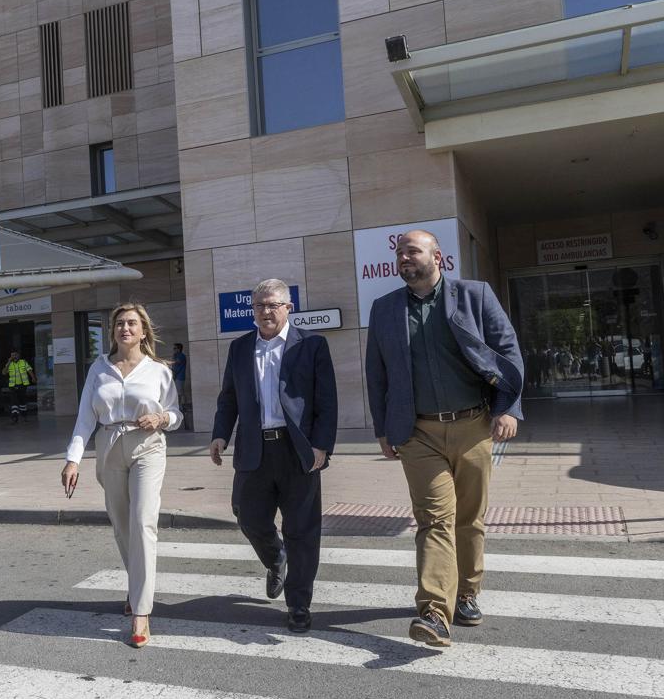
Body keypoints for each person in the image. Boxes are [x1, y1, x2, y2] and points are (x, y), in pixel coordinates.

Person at [365, 229, 524, 648]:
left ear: (438, 257)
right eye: (400, 254)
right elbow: (376, 374)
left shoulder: (474, 295)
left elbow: (507, 348)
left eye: (412, 252)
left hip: (474, 425)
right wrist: (383, 429)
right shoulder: (383, 310)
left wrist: (509, 409)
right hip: (418, 433)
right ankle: (435, 611)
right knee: (434, 520)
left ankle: (468, 592)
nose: (404, 259)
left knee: (470, 519)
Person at [210, 279, 337, 634]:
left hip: (298, 451)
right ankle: (275, 557)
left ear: (288, 308)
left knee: (302, 531)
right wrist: (220, 434)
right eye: (260, 306)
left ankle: (298, 604)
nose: (266, 311)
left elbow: (327, 400)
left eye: (273, 305)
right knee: (247, 516)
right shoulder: (240, 348)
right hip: (254, 449)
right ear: (253, 310)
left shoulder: (312, 345)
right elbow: (229, 398)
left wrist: (322, 445)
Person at [61, 303, 182, 648]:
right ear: (112, 331)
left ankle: (141, 611)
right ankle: (135, 587)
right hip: (109, 445)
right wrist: (73, 460)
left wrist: (162, 420)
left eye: (132, 323)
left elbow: (176, 413)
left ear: (143, 331)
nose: (125, 328)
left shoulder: (158, 370)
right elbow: (86, 417)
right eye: (119, 324)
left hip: (148, 447)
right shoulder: (98, 369)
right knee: (122, 524)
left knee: (143, 522)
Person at [2, 349, 35, 424]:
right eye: (12, 355)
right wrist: (8, 362)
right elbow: (4, 372)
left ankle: (24, 415)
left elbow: (29, 370)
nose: (14, 356)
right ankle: (14, 417)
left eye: (15, 355)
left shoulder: (23, 362)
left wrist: (33, 378)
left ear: (18, 355)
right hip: (12, 385)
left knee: (22, 401)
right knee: (14, 400)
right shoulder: (9, 364)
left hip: (22, 385)